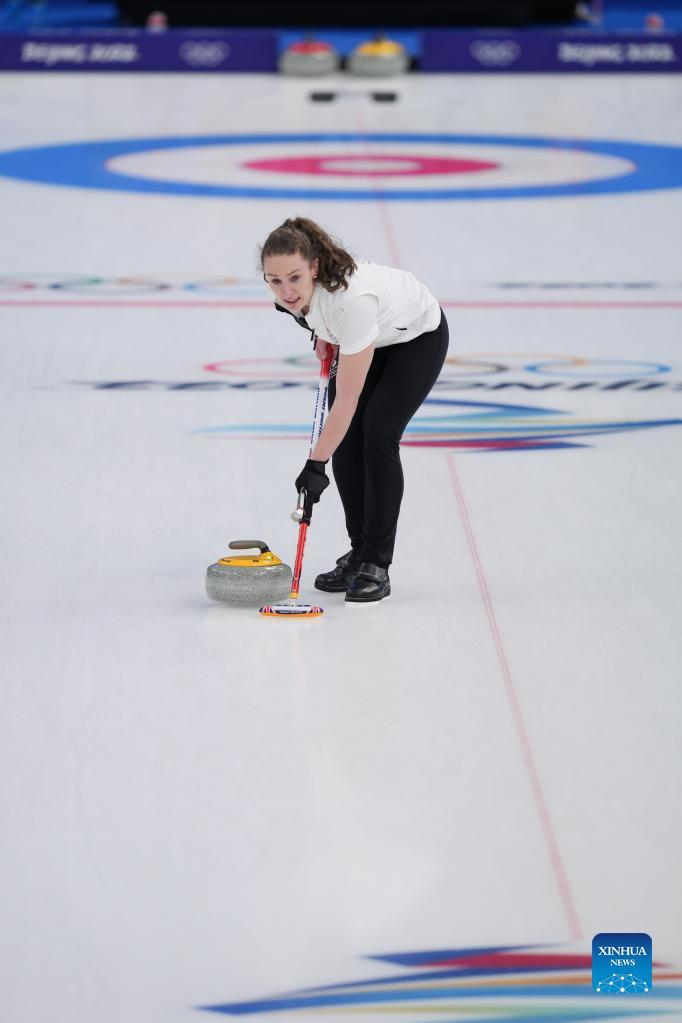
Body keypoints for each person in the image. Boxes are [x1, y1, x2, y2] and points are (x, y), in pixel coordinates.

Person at [260, 217, 449, 605]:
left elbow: (346, 400)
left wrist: (315, 465)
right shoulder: (290, 296)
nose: (286, 290)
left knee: (377, 433)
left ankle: (377, 563)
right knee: (346, 441)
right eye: (275, 281)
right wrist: (321, 335)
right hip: (369, 336)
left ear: (314, 267)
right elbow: (315, 316)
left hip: (415, 336)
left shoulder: (353, 300)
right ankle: (359, 552)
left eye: (294, 278)